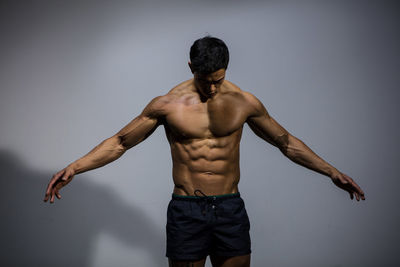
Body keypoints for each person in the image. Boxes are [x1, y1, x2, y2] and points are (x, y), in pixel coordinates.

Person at [44, 36, 365, 267]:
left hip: (229, 208)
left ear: (226, 69)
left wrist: (331, 171)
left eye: (218, 80)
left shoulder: (244, 102)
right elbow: (120, 142)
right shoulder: (167, 105)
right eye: (204, 80)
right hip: (186, 209)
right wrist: (75, 166)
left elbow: (285, 142)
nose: (211, 88)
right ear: (190, 67)